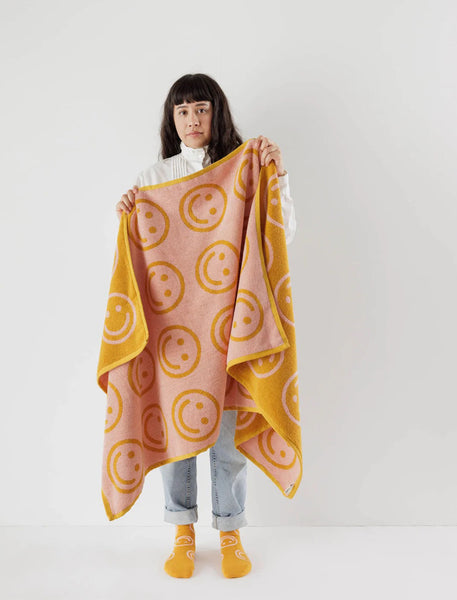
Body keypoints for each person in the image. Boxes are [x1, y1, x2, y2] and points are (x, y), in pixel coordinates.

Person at [115, 73, 297, 578]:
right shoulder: (154, 177)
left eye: (201, 108)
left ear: (217, 113)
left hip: (229, 324)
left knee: (227, 434)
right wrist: (127, 216)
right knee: (177, 432)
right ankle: (182, 531)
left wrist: (277, 176)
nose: (192, 119)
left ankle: (231, 530)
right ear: (171, 120)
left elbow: (281, 234)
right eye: (182, 111)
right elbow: (138, 255)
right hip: (173, 330)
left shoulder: (243, 166)